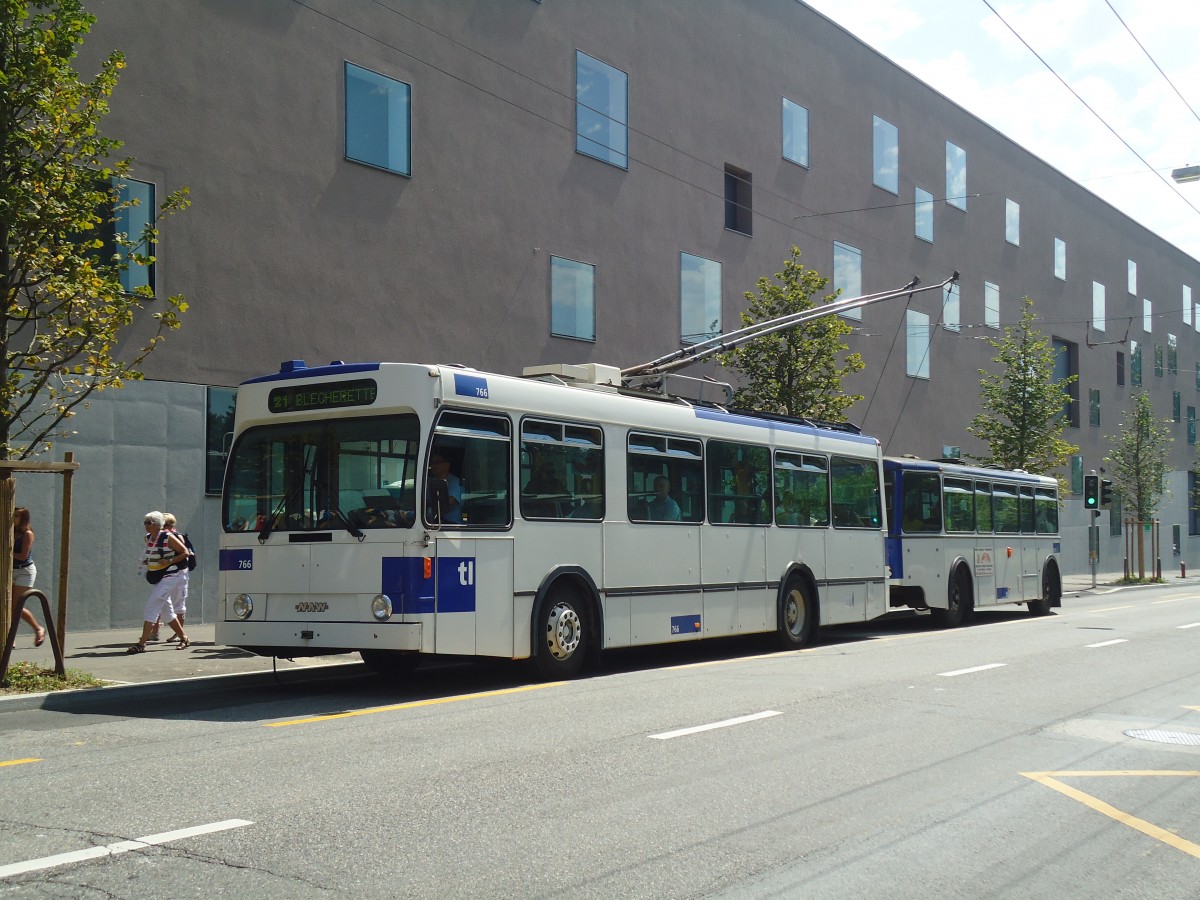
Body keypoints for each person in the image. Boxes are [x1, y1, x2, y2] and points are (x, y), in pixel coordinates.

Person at [129, 511, 190, 654]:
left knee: (152, 606)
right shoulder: (148, 537)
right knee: (167, 612)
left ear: (157, 525)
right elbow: (151, 552)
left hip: (169, 576)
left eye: (148, 522)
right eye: (145, 522)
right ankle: (184, 638)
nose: (145, 525)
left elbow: (185, 552)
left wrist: (169, 561)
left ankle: (141, 643)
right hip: (156, 577)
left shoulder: (168, 537)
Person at [149, 513, 191, 642]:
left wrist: (167, 561)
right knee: (162, 602)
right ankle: (156, 632)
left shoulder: (175, 537)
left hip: (177, 574)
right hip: (169, 574)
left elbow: (184, 553)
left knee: (176, 604)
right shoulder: (158, 537)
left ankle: (179, 634)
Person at [11, 506, 47, 647]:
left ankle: (38, 628)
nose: (13, 519)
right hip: (11, 570)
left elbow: (22, 556)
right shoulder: (11, 532)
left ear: (23, 518)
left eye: (17, 516)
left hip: (24, 571)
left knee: (16, 606)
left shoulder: (27, 533)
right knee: (8, 606)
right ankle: (9, 638)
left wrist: (6, 554)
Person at [428, 453, 462, 523]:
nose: (432, 466)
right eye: (431, 463)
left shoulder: (455, 482)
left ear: (446, 465)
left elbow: (447, 503)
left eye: (436, 463)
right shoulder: (430, 481)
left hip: (451, 524)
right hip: (433, 521)